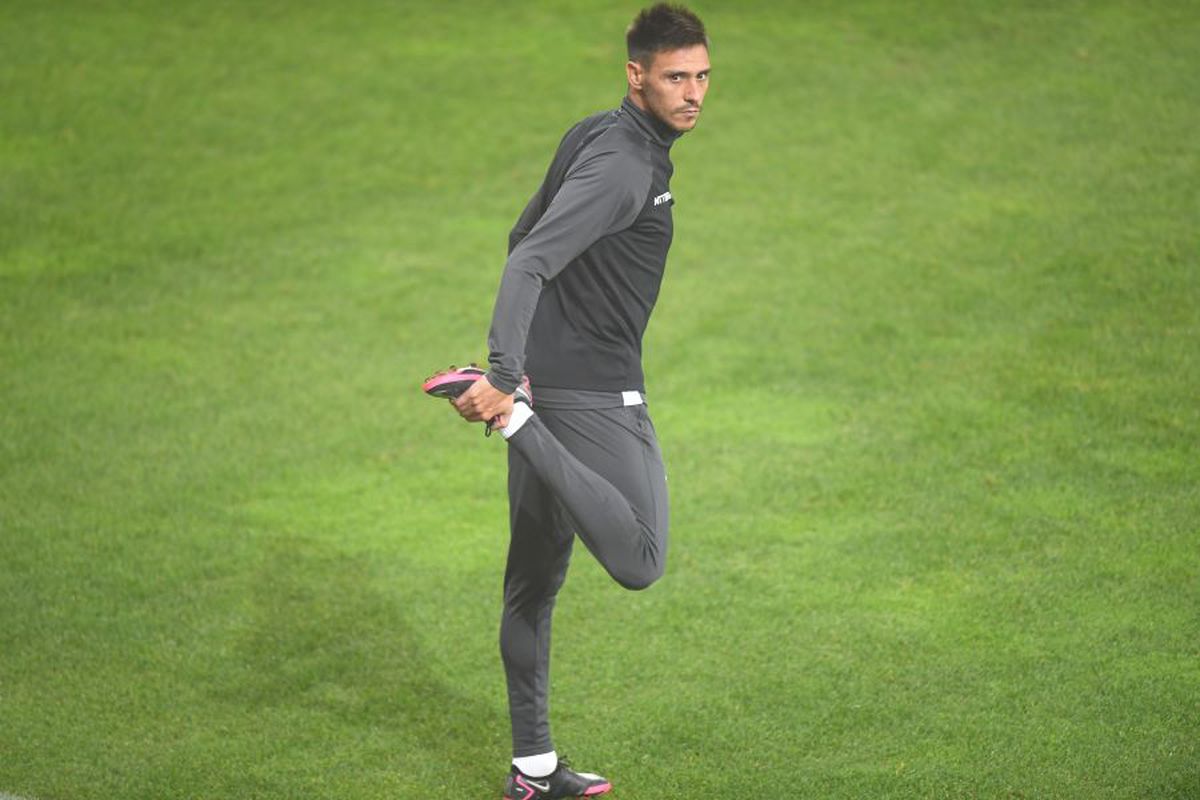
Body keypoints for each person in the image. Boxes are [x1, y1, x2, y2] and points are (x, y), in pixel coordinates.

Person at [428, 5, 710, 797]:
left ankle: (533, 771)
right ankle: (515, 420)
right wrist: (505, 378)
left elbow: (520, 239)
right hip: (591, 399)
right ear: (637, 76)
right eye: (676, 77)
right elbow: (530, 263)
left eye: (702, 76)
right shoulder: (622, 167)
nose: (693, 93)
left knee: (532, 583)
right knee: (640, 558)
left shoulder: (595, 134)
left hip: (550, 385)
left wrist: (523, 372)